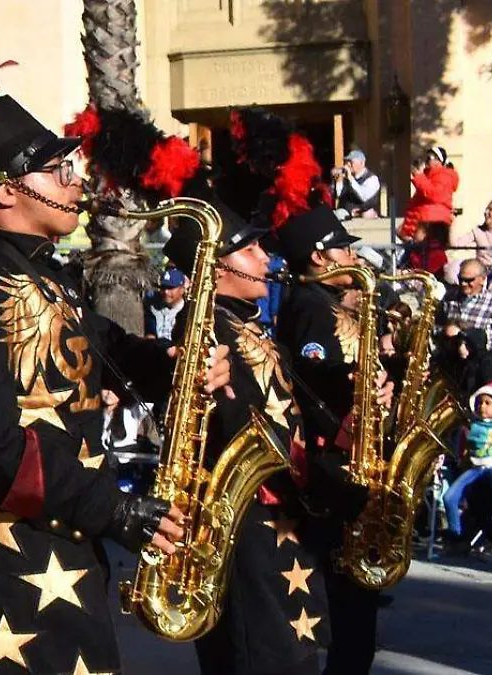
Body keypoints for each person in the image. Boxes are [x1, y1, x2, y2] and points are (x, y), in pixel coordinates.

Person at [0, 95, 230, 674]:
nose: (73, 183)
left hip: (66, 539)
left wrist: (179, 367)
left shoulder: (48, 273)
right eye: (57, 170)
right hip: (13, 561)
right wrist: (115, 510)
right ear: (8, 188)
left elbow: (109, 347)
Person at [166, 203, 330, 675]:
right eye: (249, 249)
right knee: (259, 654)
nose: (265, 258)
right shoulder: (206, 327)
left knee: (294, 652)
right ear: (215, 267)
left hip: (281, 509)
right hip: (242, 519)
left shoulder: (248, 322)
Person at [273, 204, 394, 675]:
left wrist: (382, 384)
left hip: (353, 453)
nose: (355, 256)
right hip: (336, 462)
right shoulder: (309, 309)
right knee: (349, 615)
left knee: (357, 613)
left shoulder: (332, 303)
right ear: (321, 257)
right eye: (346, 247)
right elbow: (314, 380)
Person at [442, 381, 492, 562]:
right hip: (476, 466)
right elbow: (465, 451)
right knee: (450, 497)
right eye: (479, 402)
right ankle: (456, 537)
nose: (482, 406)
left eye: (488, 403)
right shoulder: (472, 425)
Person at [440, 258, 492, 357]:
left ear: (483, 279)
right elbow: (436, 326)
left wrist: (476, 340)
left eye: (469, 280)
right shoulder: (449, 299)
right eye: (460, 279)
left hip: (479, 359)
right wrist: (446, 331)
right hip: (450, 356)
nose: (463, 284)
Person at [450, 200, 492, 290]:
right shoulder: (478, 231)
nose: (486, 212)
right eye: (486, 209)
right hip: (481, 270)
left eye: (490, 210)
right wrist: (452, 223)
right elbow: (456, 244)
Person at [400, 146, 459, 241]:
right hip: (420, 222)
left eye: (429, 158)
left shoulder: (445, 175)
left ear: (439, 161)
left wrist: (419, 177)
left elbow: (435, 195)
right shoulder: (428, 177)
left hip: (431, 224)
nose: (426, 161)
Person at [332, 149, 381, 219]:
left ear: (362, 163)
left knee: (368, 213)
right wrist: (338, 180)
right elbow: (338, 195)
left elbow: (363, 196)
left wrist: (351, 179)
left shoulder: (372, 179)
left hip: (363, 216)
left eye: (351, 162)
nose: (348, 164)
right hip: (344, 213)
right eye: (347, 162)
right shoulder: (346, 178)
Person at [144, 267, 186, 344]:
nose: (166, 292)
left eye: (170, 288)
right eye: (163, 287)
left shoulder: (187, 311)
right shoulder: (153, 307)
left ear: (182, 289)